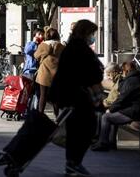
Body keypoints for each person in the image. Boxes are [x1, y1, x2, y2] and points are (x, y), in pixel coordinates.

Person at [48, 19, 104, 177]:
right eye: (91, 33)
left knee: (76, 130)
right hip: (75, 95)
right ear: (85, 32)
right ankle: (74, 162)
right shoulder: (80, 48)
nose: (92, 37)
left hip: (67, 94)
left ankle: (72, 163)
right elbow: (92, 73)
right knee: (86, 129)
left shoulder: (72, 47)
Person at [91, 60, 140, 151]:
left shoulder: (130, 81)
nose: (122, 73)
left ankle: (103, 143)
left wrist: (111, 109)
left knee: (106, 117)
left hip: (134, 113)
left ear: (126, 71)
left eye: (122, 71)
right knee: (112, 115)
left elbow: (122, 98)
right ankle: (111, 143)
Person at [34, 27, 65, 116]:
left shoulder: (43, 45)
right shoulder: (61, 46)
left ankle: (40, 115)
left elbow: (36, 56)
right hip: (57, 74)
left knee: (43, 96)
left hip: (44, 74)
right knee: (56, 97)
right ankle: (57, 116)